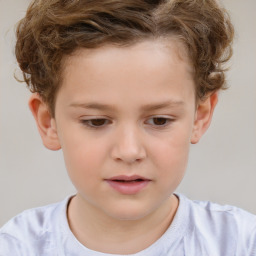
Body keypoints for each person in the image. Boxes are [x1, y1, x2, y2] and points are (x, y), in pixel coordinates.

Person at [0, 0, 255, 255]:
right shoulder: (16, 247)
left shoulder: (240, 243)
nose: (129, 151)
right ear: (48, 122)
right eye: (96, 121)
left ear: (200, 116)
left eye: (159, 120)